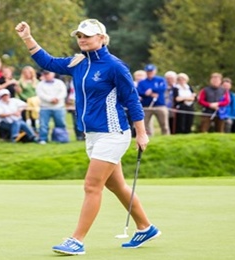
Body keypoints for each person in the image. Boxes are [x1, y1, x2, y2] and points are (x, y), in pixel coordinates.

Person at [15, 19, 159, 255]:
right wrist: (27, 38)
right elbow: (48, 62)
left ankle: (77, 240)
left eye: (87, 36)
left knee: (92, 186)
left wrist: (141, 133)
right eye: (79, 35)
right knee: (117, 185)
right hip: (92, 134)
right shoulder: (78, 61)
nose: (82, 39)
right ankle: (145, 227)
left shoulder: (115, 66)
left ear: (102, 38)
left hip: (113, 133)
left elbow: (132, 100)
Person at [36, 70, 67, 144]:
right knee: (43, 124)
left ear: (53, 74)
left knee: (60, 123)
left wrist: (57, 99)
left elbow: (63, 92)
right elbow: (40, 94)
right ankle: (43, 139)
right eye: (45, 74)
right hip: (45, 107)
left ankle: (60, 138)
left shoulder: (59, 83)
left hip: (59, 107)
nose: (47, 75)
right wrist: (50, 99)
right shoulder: (40, 84)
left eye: (48, 74)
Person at [137, 64, 169, 136]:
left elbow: (163, 88)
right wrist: (147, 93)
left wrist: (152, 90)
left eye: (151, 71)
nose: (150, 73)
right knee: (146, 125)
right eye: (148, 71)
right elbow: (139, 91)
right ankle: (148, 138)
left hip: (160, 105)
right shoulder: (142, 82)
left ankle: (166, 137)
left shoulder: (160, 80)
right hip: (146, 105)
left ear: (155, 71)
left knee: (164, 124)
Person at [17, 65, 39, 132]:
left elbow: (37, 92)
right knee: (24, 117)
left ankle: (34, 131)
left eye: (29, 72)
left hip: (34, 102)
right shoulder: (20, 82)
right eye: (26, 72)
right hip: (24, 102)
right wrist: (26, 99)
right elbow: (19, 93)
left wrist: (33, 99)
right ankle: (24, 131)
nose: (27, 74)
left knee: (33, 117)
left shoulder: (36, 81)